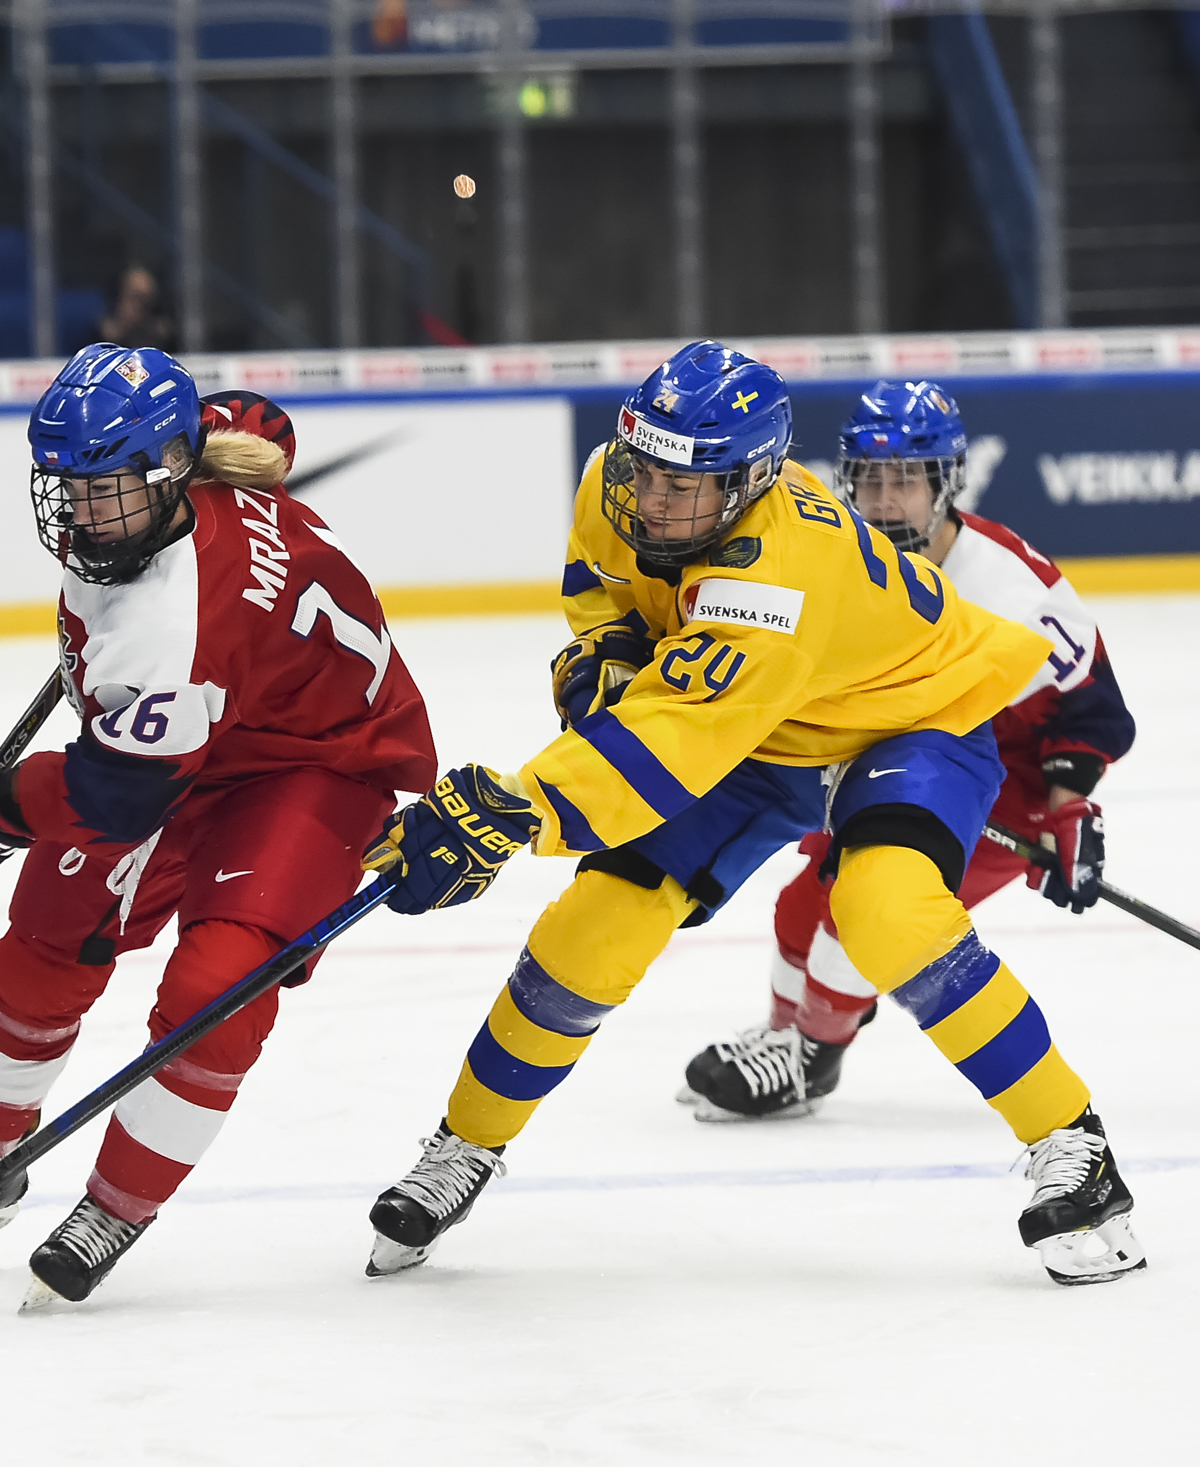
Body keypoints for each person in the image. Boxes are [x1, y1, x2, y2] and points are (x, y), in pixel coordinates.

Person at [359, 341, 1145, 1288]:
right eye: (646, 474)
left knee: (888, 913)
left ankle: (1077, 1150)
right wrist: (605, 649)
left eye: (684, 489)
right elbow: (604, 593)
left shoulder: (774, 577)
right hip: (763, 730)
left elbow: (668, 742)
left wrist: (515, 810)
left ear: (751, 483)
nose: (653, 502)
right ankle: (463, 1147)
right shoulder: (614, 477)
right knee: (592, 923)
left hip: (905, 721)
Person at [0, 344, 435, 1305]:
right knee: (46, 938)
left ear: (173, 468)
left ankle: (115, 1205)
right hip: (200, 730)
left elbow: (116, 792)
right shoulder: (186, 471)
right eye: (68, 487)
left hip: (316, 763)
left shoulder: (171, 622)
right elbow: (261, 422)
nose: (83, 513)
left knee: (216, 989)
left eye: (109, 490)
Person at [681, 381, 1136, 1119]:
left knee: (858, 923)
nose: (885, 498)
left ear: (946, 482)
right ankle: (781, 1037)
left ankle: (810, 1060)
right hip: (889, 753)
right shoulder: (828, 553)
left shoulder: (1014, 588)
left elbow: (1090, 709)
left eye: (906, 479)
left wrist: (1069, 807)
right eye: (870, 478)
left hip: (1002, 784)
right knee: (801, 907)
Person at [98, 264, 176, 352]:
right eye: (136, 296)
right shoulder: (107, 328)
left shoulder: (161, 327)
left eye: (146, 297)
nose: (141, 304)